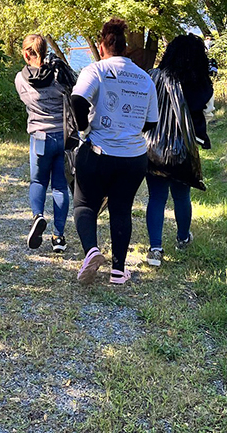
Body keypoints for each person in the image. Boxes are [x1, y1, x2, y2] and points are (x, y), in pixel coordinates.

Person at [71, 18, 158, 285]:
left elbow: (77, 100)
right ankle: (119, 271)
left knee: (85, 203)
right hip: (133, 157)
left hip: (98, 152)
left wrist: (85, 129)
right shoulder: (145, 78)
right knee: (122, 209)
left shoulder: (95, 70)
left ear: (101, 45)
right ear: (124, 47)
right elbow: (151, 122)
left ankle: (92, 252)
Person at [145, 33, 213, 268]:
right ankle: (183, 238)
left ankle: (155, 248)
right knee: (182, 196)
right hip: (183, 149)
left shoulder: (153, 78)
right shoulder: (200, 82)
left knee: (156, 197)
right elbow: (207, 112)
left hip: (152, 148)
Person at [14, 34, 75, 253]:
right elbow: (72, 94)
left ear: (25, 53)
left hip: (39, 137)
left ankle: (38, 215)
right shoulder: (59, 76)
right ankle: (59, 237)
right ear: (45, 50)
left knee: (38, 181)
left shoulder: (20, 79)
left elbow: (26, 101)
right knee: (60, 186)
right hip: (63, 136)